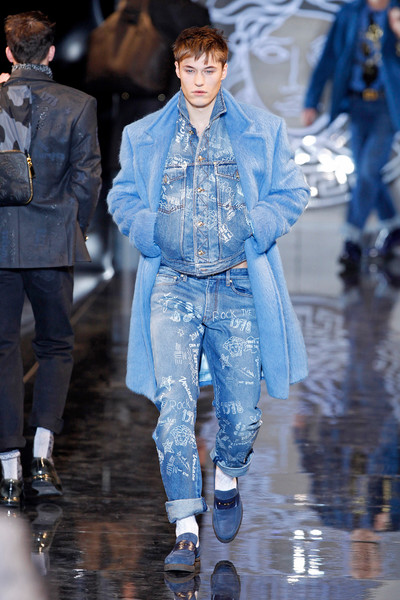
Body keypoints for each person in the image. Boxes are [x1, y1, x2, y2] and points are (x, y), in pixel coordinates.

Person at [107, 25, 309, 572]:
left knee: (241, 418)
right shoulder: (144, 134)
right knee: (174, 412)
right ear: (177, 69)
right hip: (172, 287)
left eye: (209, 69)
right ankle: (185, 529)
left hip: (238, 287)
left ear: (223, 70)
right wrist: (151, 231)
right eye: (190, 69)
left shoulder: (261, 129)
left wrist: (255, 226)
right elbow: (122, 196)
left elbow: (292, 190)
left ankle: (227, 473)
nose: (199, 80)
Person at [0, 11, 102, 508]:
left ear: (8, 53)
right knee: (55, 347)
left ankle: (8, 470)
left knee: (2, 349)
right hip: (53, 241)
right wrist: (71, 227)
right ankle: (42, 456)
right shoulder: (79, 104)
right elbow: (88, 179)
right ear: (52, 52)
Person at [302, 0, 400, 270]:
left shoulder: (396, 12)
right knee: (367, 173)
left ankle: (352, 240)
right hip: (356, 105)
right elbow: (330, 57)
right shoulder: (350, 14)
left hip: (388, 106)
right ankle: (394, 227)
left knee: (367, 172)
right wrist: (312, 100)